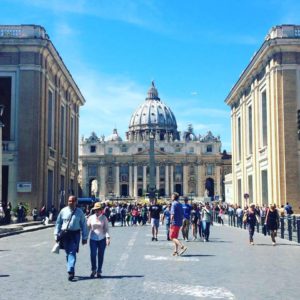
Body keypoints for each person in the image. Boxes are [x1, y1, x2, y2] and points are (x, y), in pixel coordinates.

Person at [54, 195, 88, 281]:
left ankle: (70, 271)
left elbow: (84, 225)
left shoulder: (80, 212)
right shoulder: (63, 211)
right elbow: (58, 223)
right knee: (68, 252)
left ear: (76, 202)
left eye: (72, 201)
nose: (71, 202)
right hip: (65, 234)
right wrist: (56, 234)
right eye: (69, 201)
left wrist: (85, 237)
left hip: (75, 234)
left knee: (72, 251)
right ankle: (71, 267)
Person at [87, 202, 110, 278]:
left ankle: (99, 271)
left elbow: (106, 229)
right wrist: (85, 237)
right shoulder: (91, 218)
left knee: (101, 255)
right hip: (93, 239)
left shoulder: (104, 218)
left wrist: (107, 238)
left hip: (102, 239)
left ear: (101, 210)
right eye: (96, 210)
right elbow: (88, 228)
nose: (97, 211)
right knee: (93, 255)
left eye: (98, 209)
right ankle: (93, 269)